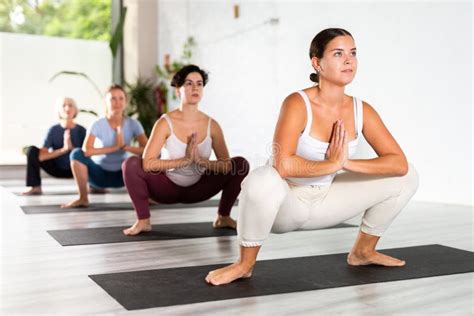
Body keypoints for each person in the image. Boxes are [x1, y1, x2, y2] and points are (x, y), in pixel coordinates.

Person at [205, 28, 419, 286]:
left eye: (353, 53)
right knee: (261, 178)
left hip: (326, 201)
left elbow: (398, 162)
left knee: (408, 176)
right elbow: (283, 165)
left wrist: (345, 163)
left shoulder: (362, 110)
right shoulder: (297, 103)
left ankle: (363, 251)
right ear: (317, 63)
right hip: (285, 205)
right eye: (338, 54)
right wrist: (331, 163)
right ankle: (244, 264)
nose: (349, 60)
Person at [122, 64, 249, 235]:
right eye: (189, 83)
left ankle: (223, 217)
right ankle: (143, 220)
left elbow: (226, 166)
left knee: (241, 164)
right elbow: (148, 163)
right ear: (177, 90)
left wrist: (200, 162)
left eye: (199, 83)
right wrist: (185, 161)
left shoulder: (212, 125)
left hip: (199, 189)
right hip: (167, 188)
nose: (195, 87)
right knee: (130, 164)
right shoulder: (164, 123)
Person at [61, 84, 148, 208]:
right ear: (105, 102)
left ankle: (147, 196)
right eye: (112, 98)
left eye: (121, 98)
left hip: (123, 176)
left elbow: (148, 149)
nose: (117, 102)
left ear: (126, 102)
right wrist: (114, 147)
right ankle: (83, 198)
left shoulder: (134, 124)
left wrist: (124, 147)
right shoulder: (97, 124)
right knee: (76, 154)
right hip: (98, 175)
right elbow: (86, 151)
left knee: (145, 158)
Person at [22, 97, 86, 195]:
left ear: (75, 110)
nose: (67, 108)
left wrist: (72, 148)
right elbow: (41, 156)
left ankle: (95, 185)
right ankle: (35, 187)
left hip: (76, 170)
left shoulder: (82, 131)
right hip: (56, 168)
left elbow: (88, 154)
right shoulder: (53, 130)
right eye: (64, 106)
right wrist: (63, 150)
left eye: (70, 105)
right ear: (58, 111)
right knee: (32, 150)